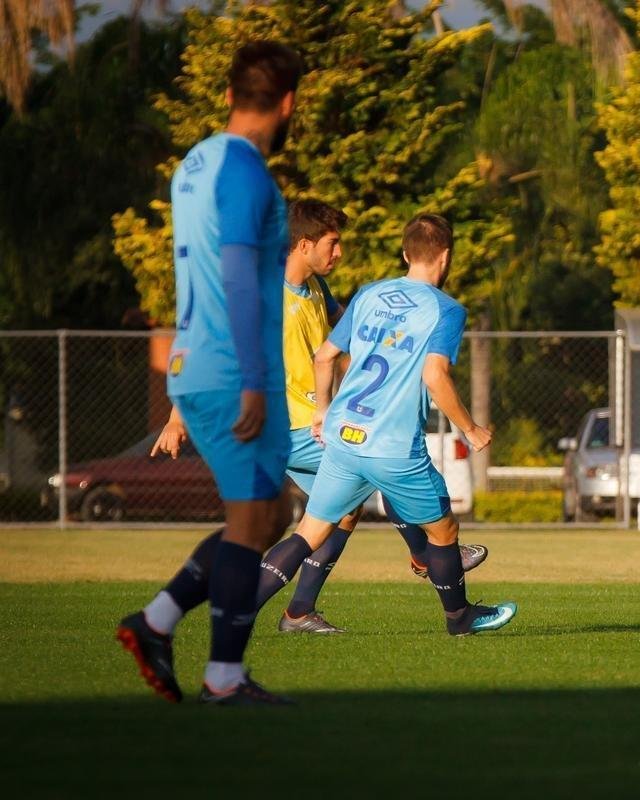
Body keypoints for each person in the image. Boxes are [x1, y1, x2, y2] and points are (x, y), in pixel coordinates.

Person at [153, 201, 491, 635]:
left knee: (340, 513)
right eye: (332, 244)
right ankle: (430, 554)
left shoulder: (316, 290)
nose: (339, 253)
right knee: (376, 457)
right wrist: (177, 418)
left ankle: (298, 612)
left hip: (313, 422)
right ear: (303, 244)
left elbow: (345, 349)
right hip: (287, 427)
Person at [115, 40, 303, 705]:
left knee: (268, 512)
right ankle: (223, 676)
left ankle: (156, 622)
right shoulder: (249, 175)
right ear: (287, 103)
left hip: (195, 360)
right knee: (256, 517)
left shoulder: (193, 164)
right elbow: (238, 279)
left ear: (228, 95)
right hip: (232, 369)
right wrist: (255, 378)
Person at [293, 213, 516, 636]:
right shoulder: (445, 309)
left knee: (315, 528)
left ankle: (259, 611)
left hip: (341, 431)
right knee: (443, 526)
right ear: (446, 257)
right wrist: (471, 429)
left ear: (404, 253)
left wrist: (325, 409)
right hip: (385, 440)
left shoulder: (369, 293)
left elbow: (326, 356)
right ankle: (456, 612)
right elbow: (434, 376)